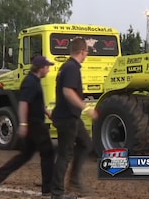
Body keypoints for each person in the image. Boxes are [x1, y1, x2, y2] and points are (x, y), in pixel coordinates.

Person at [0, 56, 55, 197]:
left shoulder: (34, 81)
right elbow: (23, 103)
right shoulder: (30, 82)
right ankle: (48, 189)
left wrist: (47, 112)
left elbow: (35, 102)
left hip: (34, 124)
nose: (49, 69)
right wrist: (23, 124)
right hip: (35, 125)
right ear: (41, 68)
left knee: (25, 155)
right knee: (48, 153)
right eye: (47, 67)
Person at [50, 37, 98, 199]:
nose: (87, 55)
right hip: (67, 118)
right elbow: (68, 92)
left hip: (71, 117)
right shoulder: (71, 68)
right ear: (82, 52)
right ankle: (57, 192)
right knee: (65, 154)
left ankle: (74, 181)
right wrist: (86, 108)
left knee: (85, 144)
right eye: (86, 52)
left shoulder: (68, 67)